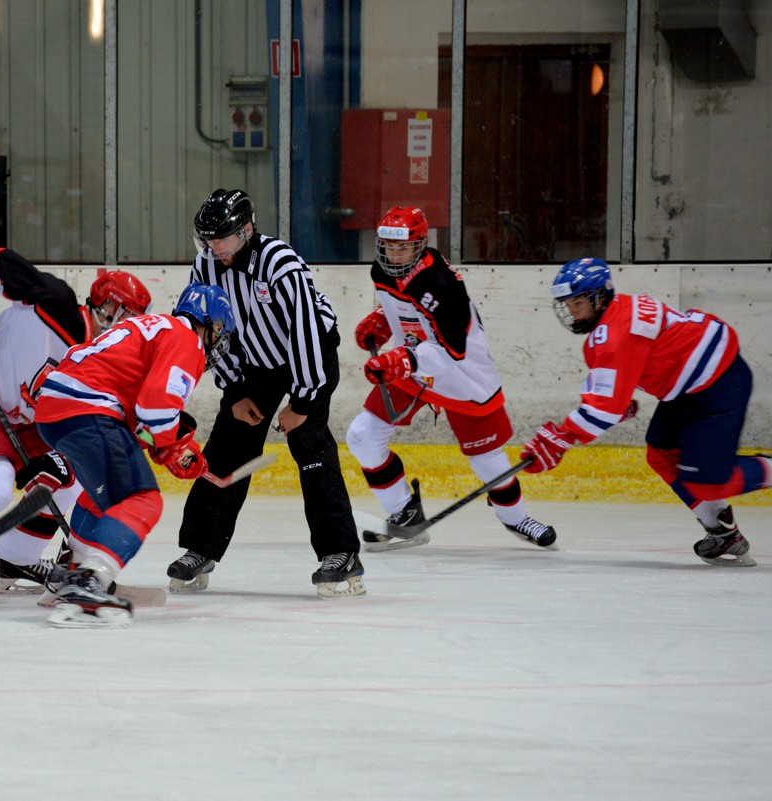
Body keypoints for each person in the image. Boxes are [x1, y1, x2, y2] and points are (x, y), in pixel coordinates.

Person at [0, 246, 152, 608]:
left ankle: (17, 560)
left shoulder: (101, 366)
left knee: (69, 479)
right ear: (108, 308)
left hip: (22, 422)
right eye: (125, 316)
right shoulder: (55, 303)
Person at [167, 189, 365, 599]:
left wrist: (303, 403)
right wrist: (235, 389)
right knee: (228, 443)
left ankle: (341, 552)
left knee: (309, 443)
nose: (213, 248)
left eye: (221, 239)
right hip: (255, 361)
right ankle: (201, 546)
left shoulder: (279, 263)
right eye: (207, 239)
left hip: (308, 353)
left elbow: (307, 331)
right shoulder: (207, 264)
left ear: (246, 230)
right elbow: (210, 330)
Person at [521, 257, 770, 567]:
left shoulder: (613, 335)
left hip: (718, 381)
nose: (572, 311)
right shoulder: (616, 314)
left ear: (599, 297)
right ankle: (723, 533)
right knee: (662, 455)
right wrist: (613, 404)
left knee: (710, 482)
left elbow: (603, 408)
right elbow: (629, 373)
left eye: (578, 302)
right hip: (687, 385)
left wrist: (562, 436)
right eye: (568, 304)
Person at [347, 206, 556, 551]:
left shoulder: (440, 285)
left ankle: (516, 518)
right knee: (361, 436)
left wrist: (402, 360)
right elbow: (403, 304)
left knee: (488, 461)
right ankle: (404, 514)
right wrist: (384, 318)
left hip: (461, 374)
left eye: (403, 247)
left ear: (419, 246)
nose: (393, 255)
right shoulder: (382, 270)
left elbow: (452, 352)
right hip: (413, 366)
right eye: (388, 246)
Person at [33, 282, 235, 627]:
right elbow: (156, 409)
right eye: (218, 330)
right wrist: (171, 447)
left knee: (104, 497)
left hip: (55, 410)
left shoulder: (149, 326)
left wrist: (167, 445)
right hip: (89, 409)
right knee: (142, 500)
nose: (218, 340)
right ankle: (89, 582)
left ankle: (69, 575)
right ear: (209, 323)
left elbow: (139, 413)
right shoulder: (186, 339)